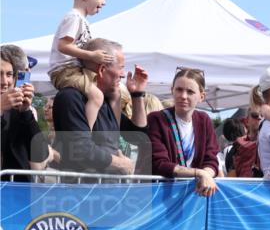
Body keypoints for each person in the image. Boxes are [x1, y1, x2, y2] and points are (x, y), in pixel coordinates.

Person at [52, 38, 147, 175]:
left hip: (108, 192)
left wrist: (137, 95)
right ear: (102, 70)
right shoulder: (71, 98)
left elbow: (139, 138)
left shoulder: (108, 101)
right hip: (80, 193)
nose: (123, 74)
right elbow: (81, 150)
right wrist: (121, 163)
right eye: (121, 67)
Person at [47, 0, 116, 130]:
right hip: (65, 71)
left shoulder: (82, 20)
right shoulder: (74, 17)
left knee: (102, 89)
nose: (104, 2)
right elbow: (63, 45)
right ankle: (86, 134)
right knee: (97, 96)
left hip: (73, 70)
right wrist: (92, 55)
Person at [145, 68, 220, 196]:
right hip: (162, 196)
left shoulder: (204, 120)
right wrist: (199, 173)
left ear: (201, 97)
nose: (183, 96)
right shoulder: (156, 119)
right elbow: (159, 164)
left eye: (190, 92)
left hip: (195, 196)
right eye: (179, 89)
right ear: (172, 90)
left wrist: (206, 175)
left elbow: (211, 160)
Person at [1, 45, 54, 180]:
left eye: (9, 74)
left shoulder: (21, 111)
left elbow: (40, 157)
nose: (4, 82)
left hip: (18, 193)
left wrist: (26, 114)